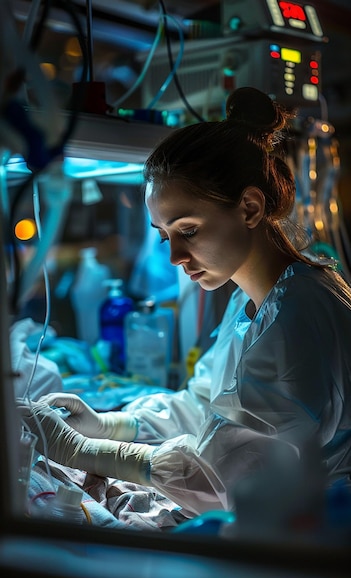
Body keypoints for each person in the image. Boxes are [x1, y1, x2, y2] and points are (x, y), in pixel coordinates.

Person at [21, 87, 351, 519]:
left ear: (249, 207)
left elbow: (225, 475)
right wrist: (112, 426)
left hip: (313, 536)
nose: (175, 256)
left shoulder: (299, 312)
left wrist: (83, 450)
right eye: (165, 236)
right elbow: (209, 408)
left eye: (188, 230)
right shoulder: (253, 300)